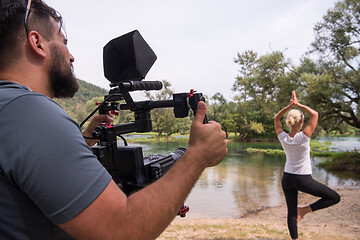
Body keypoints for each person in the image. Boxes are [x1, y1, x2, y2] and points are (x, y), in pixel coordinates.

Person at [0, 1, 228, 239]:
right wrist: (197, 156)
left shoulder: (10, 110)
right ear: (37, 43)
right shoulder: (31, 112)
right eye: (64, 41)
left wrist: (85, 138)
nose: (72, 56)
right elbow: (121, 230)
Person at [274, 91, 340, 240]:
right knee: (334, 198)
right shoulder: (304, 137)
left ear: (288, 122)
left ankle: (295, 237)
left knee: (291, 212)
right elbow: (315, 114)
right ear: (302, 122)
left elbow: (276, 118)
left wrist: (288, 107)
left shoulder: (283, 137)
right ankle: (304, 210)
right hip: (303, 179)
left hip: (287, 179)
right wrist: (298, 105)